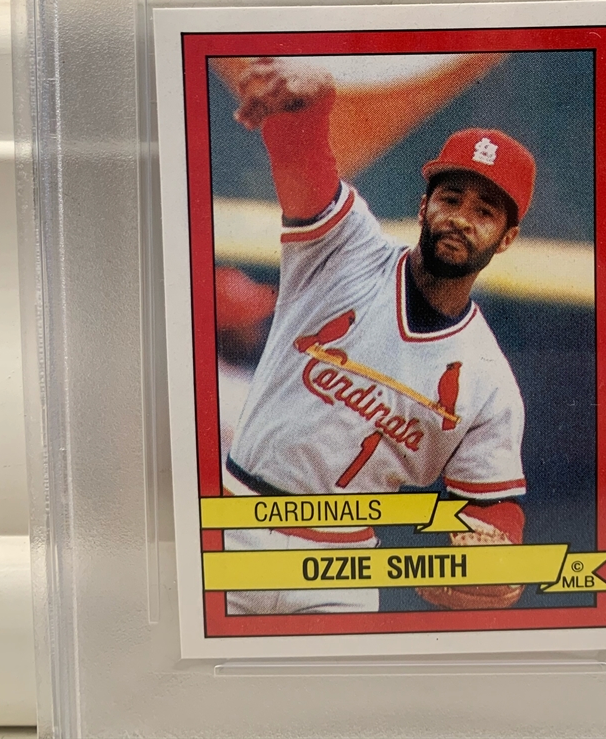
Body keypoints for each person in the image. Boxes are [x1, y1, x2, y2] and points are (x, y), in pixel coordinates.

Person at [211, 56, 536, 615]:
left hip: (342, 570)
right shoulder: (348, 250)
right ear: (424, 206)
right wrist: (309, 106)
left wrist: (497, 549)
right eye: (451, 199)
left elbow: (493, 508)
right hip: (234, 522)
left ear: (506, 239)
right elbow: (304, 161)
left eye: (485, 211)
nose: (461, 218)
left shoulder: (489, 383)